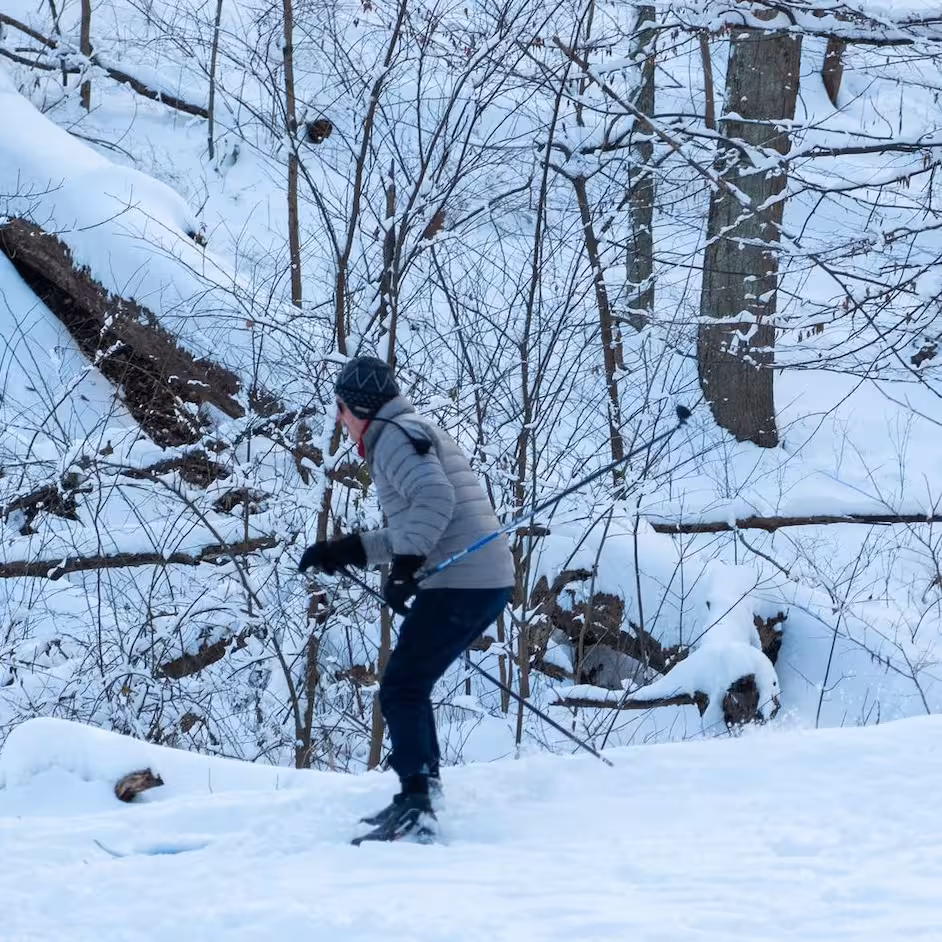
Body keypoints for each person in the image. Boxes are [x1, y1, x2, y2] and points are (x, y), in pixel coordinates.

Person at [298, 355, 515, 843]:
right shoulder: (403, 431)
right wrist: (348, 551)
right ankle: (423, 794)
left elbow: (436, 503)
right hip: (478, 578)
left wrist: (407, 566)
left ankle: (418, 803)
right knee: (408, 683)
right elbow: (414, 523)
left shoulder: (395, 436)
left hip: (467, 580)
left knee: (401, 686)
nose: (338, 419)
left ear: (358, 405)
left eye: (340, 407)